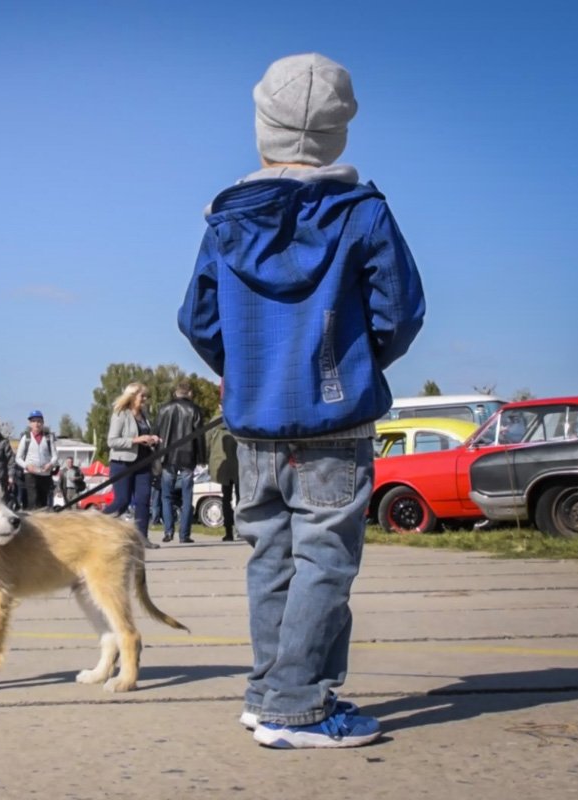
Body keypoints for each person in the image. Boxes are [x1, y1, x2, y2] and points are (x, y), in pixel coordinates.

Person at [178, 53, 425, 749]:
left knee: (270, 558)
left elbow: (197, 321)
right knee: (324, 561)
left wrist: (245, 370)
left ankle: (268, 693)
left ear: (262, 129)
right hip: (334, 418)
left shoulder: (225, 221)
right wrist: (355, 363)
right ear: (338, 136)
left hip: (253, 423)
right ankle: (299, 707)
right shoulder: (363, 213)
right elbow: (400, 312)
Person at [103, 383, 160, 548]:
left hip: (143, 463)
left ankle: (142, 539)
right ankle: (95, 523)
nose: (145, 400)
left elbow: (143, 436)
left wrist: (152, 439)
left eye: (145, 396)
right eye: (142, 396)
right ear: (132, 396)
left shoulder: (145, 415)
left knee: (143, 500)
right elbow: (112, 441)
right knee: (122, 500)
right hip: (122, 463)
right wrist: (136, 440)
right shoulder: (121, 414)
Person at [155, 381, 206, 544]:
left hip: (167, 456)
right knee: (187, 496)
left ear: (175, 393)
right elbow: (200, 436)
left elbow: (155, 433)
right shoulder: (194, 410)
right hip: (188, 456)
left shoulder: (163, 409)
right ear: (189, 393)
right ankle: (184, 534)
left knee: (166, 496)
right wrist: (202, 457)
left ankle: (168, 531)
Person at [15, 411, 59, 510]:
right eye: (34, 421)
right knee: (33, 500)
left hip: (45, 474)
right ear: (30, 424)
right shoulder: (26, 438)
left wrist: (50, 464)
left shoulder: (48, 437)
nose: (37, 424)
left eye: (39, 421)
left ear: (43, 423)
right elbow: (18, 458)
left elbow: (55, 456)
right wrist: (27, 466)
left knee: (43, 502)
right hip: (30, 474)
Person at [205, 414, 238, 542]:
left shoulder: (214, 422)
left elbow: (207, 441)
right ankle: (242, 529)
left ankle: (228, 531)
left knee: (226, 499)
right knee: (242, 498)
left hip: (222, 463)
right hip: (239, 463)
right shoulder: (238, 417)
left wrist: (205, 459)